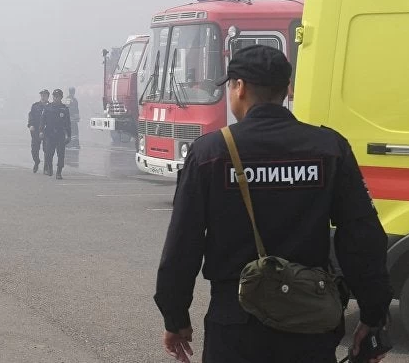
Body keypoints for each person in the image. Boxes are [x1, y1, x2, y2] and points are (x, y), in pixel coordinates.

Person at [154, 44, 392, 363]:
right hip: (311, 320)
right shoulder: (328, 148)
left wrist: (176, 318)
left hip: (235, 323)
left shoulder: (210, 153)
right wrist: (373, 314)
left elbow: (183, 246)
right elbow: (362, 238)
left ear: (239, 87)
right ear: (286, 89)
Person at [39, 88, 72, 179]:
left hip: (60, 134)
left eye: (57, 96)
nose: (55, 98)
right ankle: (49, 168)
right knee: (49, 153)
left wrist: (69, 135)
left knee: (61, 155)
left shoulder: (64, 109)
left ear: (61, 97)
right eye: (54, 96)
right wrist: (41, 131)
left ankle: (59, 172)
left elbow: (68, 123)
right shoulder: (48, 107)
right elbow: (43, 120)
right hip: (49, 134)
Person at [27, 89, 50, 172]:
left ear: (48, 96)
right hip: (36, 130)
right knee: (34, 149)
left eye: (45, 95)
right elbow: (31, 116)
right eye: (42, 95)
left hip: (46, 131)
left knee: (47, 150)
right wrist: (31, 125)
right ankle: (37, 162)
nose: (43, 96)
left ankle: (46, 167)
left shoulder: (50, 106)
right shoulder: (35, 106)